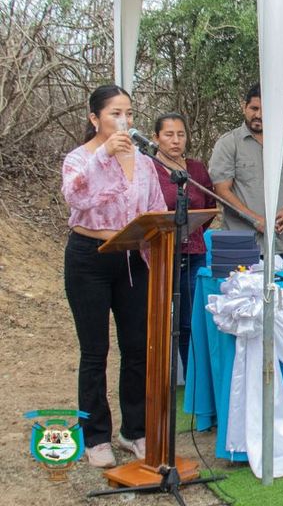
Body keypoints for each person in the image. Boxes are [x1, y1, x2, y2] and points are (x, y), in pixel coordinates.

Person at [61, 85, 167, 468]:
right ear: (95, 118)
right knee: (95, 351)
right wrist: (104, 154)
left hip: (131, 257)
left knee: (136, 348)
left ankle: (134, 430)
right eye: (115, 114)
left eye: (129, 113)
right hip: (89, 257)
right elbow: (75, 197)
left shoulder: (143, 161)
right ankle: (95, 436)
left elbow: (156, 207)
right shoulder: (79, 158)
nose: (124, 121)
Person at [152, 112, 216, 378]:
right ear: (156, 138)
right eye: (169, 134)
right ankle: (157, 382)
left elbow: (210, 207)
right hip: (159, 256)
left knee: (190, 323)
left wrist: (194, 231)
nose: (176, 140)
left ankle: (192, 385)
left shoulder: (197, 169)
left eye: (181, 134)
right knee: (157, 323)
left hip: (193, 255)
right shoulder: (148, 168)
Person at [208, 84, 283, 257]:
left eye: (265, 110)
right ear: (244, 107)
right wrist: (255, 219)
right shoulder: (228, 143)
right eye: (254, 108)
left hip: (280, 245)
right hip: (240, 245)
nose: (259, 115)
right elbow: (221, 190)